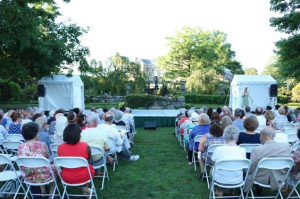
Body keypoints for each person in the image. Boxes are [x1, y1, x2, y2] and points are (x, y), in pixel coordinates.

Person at [244, 127, 292, 196]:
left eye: (259, 135)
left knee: (247, 169)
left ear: (264, 135)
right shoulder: (286, 148)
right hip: (279, 177)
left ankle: (245, 191)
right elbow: (288, 165)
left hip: (260, 178)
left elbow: (251, 169)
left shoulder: (257, 150)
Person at [18, 122, 58, 196]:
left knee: (37, 167)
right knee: (55, 168)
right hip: (44, 176)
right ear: (36, 134)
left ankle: (43, 192)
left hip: (28, 176)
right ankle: (50, 194)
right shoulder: (42, 145)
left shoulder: (20, 147)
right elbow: (47, 158)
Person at [58, 124, 95, 195]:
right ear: (78, 134)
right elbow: (89, 159)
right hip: (84, 175)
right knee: (89, 163)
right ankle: (85, 188)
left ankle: (84, 188)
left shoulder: (60, 147)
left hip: (66, 176)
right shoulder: (85, 146)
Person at [211, 125, 246, 197]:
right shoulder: (242, 150)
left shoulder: (218, 149)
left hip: (220, 180)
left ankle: (219, 190)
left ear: (225, 137)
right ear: (237, 138)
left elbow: (213, 163)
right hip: (237, 181)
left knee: (212, 170)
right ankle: (231, 192)